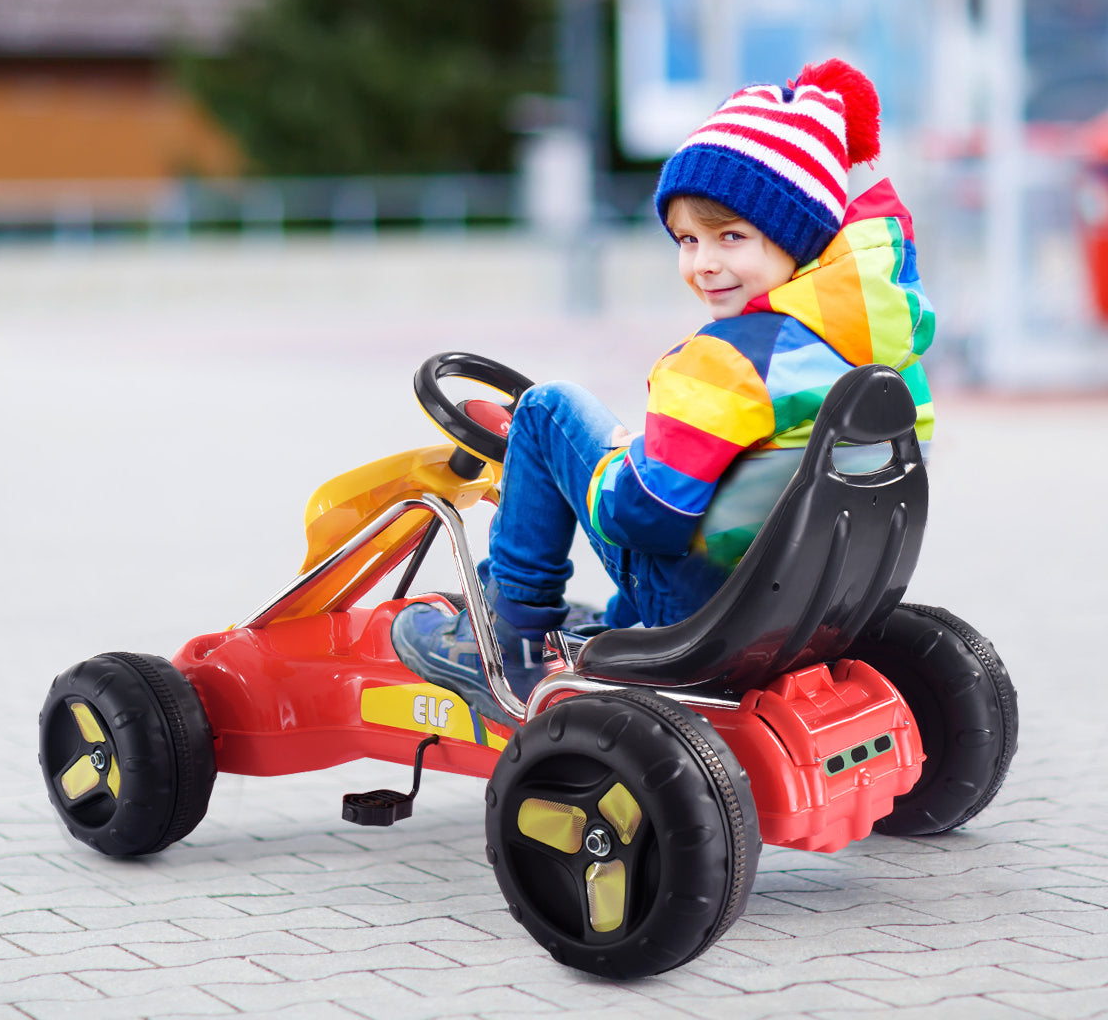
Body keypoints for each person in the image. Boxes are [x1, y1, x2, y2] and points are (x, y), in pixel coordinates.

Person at [391, 58, 935, 724]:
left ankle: (512, 639)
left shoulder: (729, 359)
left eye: (731, 237)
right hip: (808, 600)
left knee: (546, 412)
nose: (704, 262)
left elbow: (643, 516)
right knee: (630, 460)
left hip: (704, 606)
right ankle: (610, 630)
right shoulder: (880, 352)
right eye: (687, 239)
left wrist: (624, 464)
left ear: (797, 239)